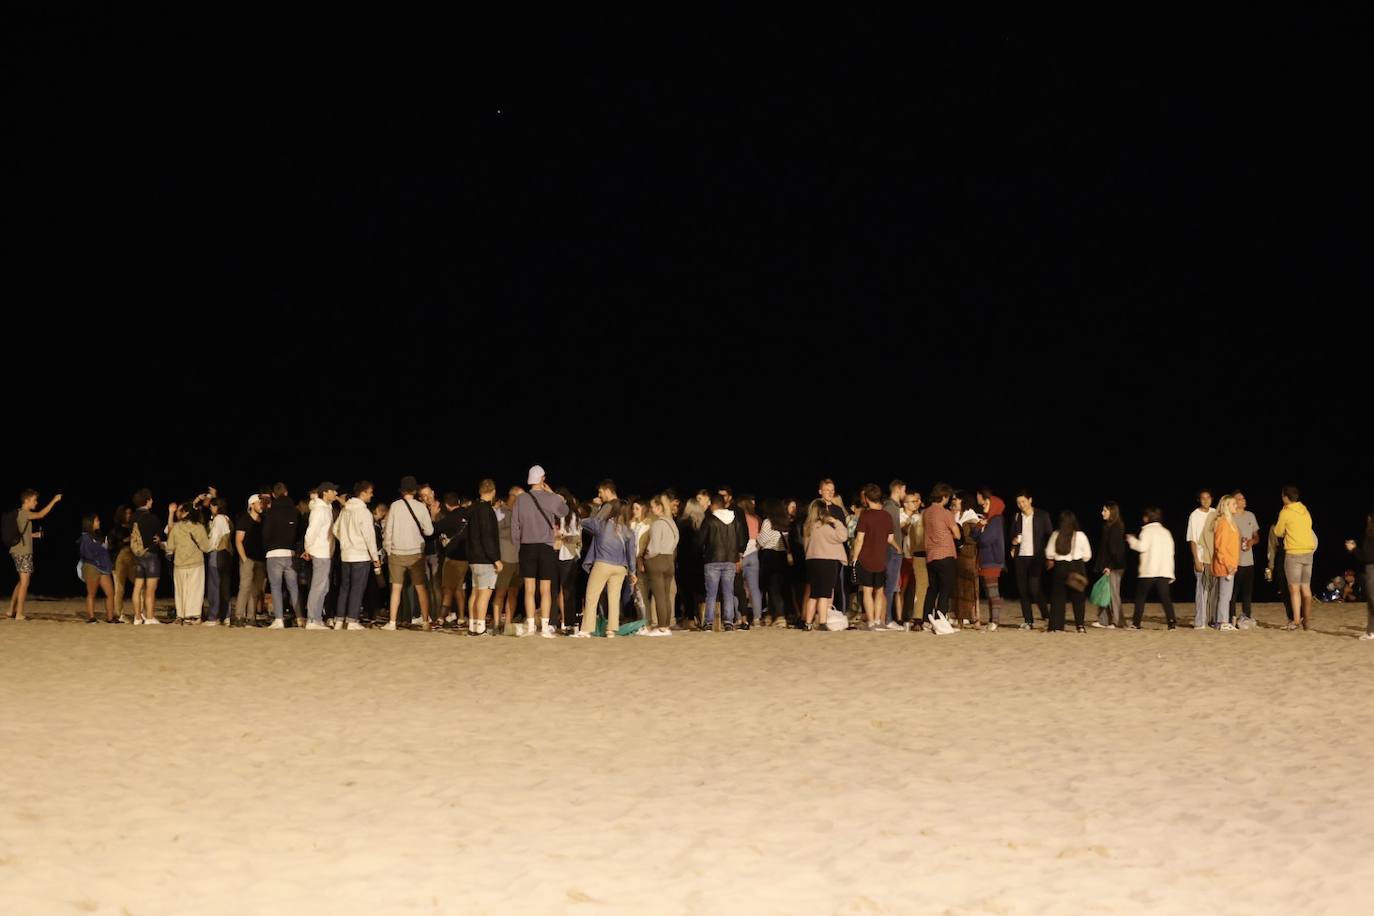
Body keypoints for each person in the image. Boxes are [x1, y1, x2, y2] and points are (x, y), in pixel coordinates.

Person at [510, 466, 570, 638]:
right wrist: (553, 493)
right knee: (545, 589)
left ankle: (530, 626)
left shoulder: (520, 499)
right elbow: (564, 511)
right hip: (545, 547)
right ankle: (544, 627)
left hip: (526, 547)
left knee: (529, 589)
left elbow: (515, 525)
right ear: (542, 479)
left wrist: (518, 546)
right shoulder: (551, 498)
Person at [573, 498, 638, 638]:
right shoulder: (629, 531)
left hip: (602, 564)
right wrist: (632, 572)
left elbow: (582, 521)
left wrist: (598, 509)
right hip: (620, 568)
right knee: (614, 598)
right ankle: (611, 630)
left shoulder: (601, 525)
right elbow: (631, 554)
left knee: (591, 596)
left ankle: (586, 630)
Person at [384, 476, 435, 631]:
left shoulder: (394, 506)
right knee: (420, 588)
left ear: (402, 491)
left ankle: (392, 622)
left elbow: (388, 531)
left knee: (396, 589)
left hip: (397, 552)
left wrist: (388, 549)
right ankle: (425, 621)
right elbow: (429, 531)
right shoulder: (421, 507)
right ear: (415, 491)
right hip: (416, 554)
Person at [6, 489, 62, 621]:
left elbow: (21, 534)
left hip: (18, 550)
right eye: (34, 500)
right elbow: (41, 514)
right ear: (27, 501)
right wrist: (54, 501)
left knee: (21, 581)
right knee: (25, 582)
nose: (36, 502)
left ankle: (10, 610)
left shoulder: (19, 514)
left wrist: (35, 535)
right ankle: (19, 613)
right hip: (23, 552)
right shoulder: (25, 513)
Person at [333, 481, 380, 631]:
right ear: (363, 493)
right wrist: (375, 558)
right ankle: (352, 620)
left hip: (346, 555)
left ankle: (339, 620)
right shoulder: (364, 512)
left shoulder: (345, 510)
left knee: (344, 588)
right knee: (357, 588)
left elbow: (335, 529)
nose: (372, 495)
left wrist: (345, 541)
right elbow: (369, 537)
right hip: (360, 555)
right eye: (370, 492)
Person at [852, 483, 898, 630]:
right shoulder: (887, 516)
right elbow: (890, 539)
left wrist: (854, 558)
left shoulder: (865, 516)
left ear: (866, 498)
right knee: (879, 591)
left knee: (867, 590)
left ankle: (871, 622)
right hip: (881, 559)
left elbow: (859, 539)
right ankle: (878, 620)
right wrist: (898, 548)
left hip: (865, 559)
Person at [697, 493, 744, 631]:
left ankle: (708, 623)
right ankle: (728, 622)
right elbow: (741, 540)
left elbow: (700, 541)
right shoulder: (735, 519)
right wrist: (738, 554)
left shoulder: (709, 520)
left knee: (711, 593)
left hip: (712, 560)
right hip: (730, 560)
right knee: (728, 592)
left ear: (713, 505)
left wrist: (703, 552)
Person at [1274, 485, 1317, 631]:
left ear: (1286, 497)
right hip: (1308, 553)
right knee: (1306, 588)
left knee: (1294, 589)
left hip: (1293, 553)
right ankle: (1307, 620)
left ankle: (1296, 620)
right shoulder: (1304, 510)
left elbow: (1278, 532)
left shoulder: (1285, 512)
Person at [1127, 507, 1178, 630]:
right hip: (1164, 570)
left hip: (1149, 570)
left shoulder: (1147, 531)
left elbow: (1142, 547)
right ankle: (1171, 623)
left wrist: (1131, 540)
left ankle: (1136, 623)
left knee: (1141, 597)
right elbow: (1171, 552)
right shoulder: (1166, 532)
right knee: (1165, 597)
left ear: (1147, 518)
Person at [464, 479, 503, 636]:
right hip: (485, 559)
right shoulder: (486, 511)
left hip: (473, 558)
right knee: (484, 594)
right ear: (493, 492)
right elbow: (487, 537)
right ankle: (480, 627)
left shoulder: (472, 508)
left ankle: (473, 625)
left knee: (475, 593)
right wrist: (496, 559)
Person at [163, 500, 212, 623]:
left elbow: (170, 547)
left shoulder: (176, 527)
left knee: (180, 590)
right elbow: (206, 547)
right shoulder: (199, 527)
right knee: (195, 590)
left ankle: (181, 615)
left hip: (179, 564)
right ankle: (193, 616)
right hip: (196, 563)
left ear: (185, 512)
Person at [921, 483, 962, 627]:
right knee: (945, 589)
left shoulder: (926, 513)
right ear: (944, 497)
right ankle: (940, 620)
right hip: (945, 554)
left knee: (932, 589)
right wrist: (950, 532)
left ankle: (926, 620)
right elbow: (957, 534)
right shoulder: (946, 513)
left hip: (931, 555)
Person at [1044, 510, 1093, 632]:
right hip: (1077, 567)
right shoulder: (1080, 535)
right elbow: (1087, 556)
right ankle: (1080, 626)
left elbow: (1049, 553)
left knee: (1057, 598)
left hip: (1060, 567)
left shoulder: (1056, 534)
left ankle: (1055, 626)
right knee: (1078, 599)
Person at [1010, 490, 1052, 629]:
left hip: (1036, 556)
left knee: (1034, 588)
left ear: (1030, 500)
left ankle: (1046, 615)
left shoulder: (1042, 515)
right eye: (1018, 502)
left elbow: (1049, 535)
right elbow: (1011, 535)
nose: (1021, 505)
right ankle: (1028, 621)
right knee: (1022, 589)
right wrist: (1014, 541)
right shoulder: (1017, 516)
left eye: (1023, 501)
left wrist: (1048, 555)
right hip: (1020, 557)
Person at [301, 482, 340, 630]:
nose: (336, 494)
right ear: (325, 493)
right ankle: (312, 619)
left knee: (323, 587)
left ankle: (316, 618)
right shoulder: (319, 510)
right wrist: (308, 549)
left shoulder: (326, 509)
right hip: (320, 552)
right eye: (333, 491)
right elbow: (312, 531)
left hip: (325, 552)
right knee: (318, 586)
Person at [262, 482, 301, 629]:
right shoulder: (294, 511)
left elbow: (265, 534)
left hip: (273, 553)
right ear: (286, 492)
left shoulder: (271, 511)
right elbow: (298, 532)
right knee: (293, 587)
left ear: (273, 495)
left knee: (276, 587)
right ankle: (300, 617)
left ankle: (279, 619)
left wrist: (267, 548)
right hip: (290, 552)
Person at [640, 493, 679, 636]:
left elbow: (654, 547)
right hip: (669, 559)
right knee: (667, 595)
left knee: (659, 596)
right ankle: (666, 625)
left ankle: (661, 626)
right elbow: (676, 540)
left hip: (657, 560)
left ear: (658, 508)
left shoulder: (657, 524)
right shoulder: (672, 523)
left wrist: (646, 557)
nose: (650, 510)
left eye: (652, 507)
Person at [434, 492, 470, 629]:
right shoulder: (467, 514)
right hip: (466, 558)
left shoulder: (450, 517)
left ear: (447, 505)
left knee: (447, 589)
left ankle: (440, 619)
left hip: (452, 558)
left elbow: (433, 530)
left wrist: (432, 516)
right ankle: (461, 618)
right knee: (459, 588)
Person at [972, 489, 1006, 631]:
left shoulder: (996, 519)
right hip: (985, 560)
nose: (984, 504)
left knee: (993, 592)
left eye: (987, 503)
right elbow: (974, 534)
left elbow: (985, 540)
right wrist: (980, 526)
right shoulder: (987, 519)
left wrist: (980, 533)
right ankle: (992, 620)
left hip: (992, 560)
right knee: (989, 591)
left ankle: (995, 621)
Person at [128, 489, 164, 625]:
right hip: (151, 555)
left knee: (137, 587)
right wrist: (159, 537)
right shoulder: (152, 518)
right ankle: (149, 617)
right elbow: (158, 536)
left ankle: (137, 617)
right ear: (147, 501)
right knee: (150, 588)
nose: (152, 501)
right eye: (151, 499)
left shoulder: (132, 518)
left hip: (137, 555)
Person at [756, 498, 793, 626]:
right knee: (779, 586)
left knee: (771, 587)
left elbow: (762, 540)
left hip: (770, 555)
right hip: (782, 556)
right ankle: (775, 614)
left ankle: (779, 615)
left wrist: (757, 541)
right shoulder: (786, 522)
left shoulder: (768, 521)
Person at [233, 493, 268, 626]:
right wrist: (245, 559)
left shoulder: (263, 519)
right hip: (248, 558)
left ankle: (251, 617)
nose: (261, 505)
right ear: (252, 504)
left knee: (256, 590)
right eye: (259, 502)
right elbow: (238, 541)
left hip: (260, 559)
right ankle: (239, 616)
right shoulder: (244, 519)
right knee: (245, 587)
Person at [552, 487, 583, 633]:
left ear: (565, 499)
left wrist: (562, 536)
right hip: (553, 553)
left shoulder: (572, 515)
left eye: (559, 498)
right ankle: (553, 622)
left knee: (567, 590)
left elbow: (576, 538)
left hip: (568, 554)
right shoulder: (552, 514)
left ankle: (569, 622)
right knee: (552, 590)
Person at [1186, 489, 1218, 630]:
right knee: (1201, 590)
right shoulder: (1194, 515)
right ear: (1199, 500)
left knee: (1213, 591)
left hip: (1214, 557)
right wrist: (1196, 560)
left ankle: (1211, 619)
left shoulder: (1215, 512)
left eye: (1208, 497)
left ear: (1211, 498)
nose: (1206, 500)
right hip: (1201, 556)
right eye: (1202, 498)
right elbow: (1192, 539)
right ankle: (1200, 621)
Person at [77, 513, 117, 623]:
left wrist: (104, 548)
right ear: (90, 523)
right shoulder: (85, 537)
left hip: (103, 567)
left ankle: (110, 617)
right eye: (97, 520)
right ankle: (91, 618)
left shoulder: (97, 535)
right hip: (91, 566)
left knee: (110, 593)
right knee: (92, 594)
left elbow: (101, 551)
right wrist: (101, 548)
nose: (99, 522)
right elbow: (86, 553)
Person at [1093, 502, 1127, 628]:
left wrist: (1109, 566)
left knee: (1113, 593)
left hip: (1115, 565)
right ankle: (1103, 620)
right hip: (1109, 564)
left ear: (1112, 512)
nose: (1102, 513)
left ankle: (1117, 621)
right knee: (1105, 591)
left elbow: (1115, 550)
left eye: (1105, 510)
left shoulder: (1116, 527)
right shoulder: (1108, 526)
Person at [202, 497, 233, 626]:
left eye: (212, 506)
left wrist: (205, 548)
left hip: (217, 554)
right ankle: (226, 616)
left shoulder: (218, 519)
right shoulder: (227, 519)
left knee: (214, 586)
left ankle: (213, 617)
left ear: (217, 506)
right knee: (225, 586)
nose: (210, 508)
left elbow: (214, 539)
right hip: (227, 555)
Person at [1212, 496, 1241, 631]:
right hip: (1225, 565)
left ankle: (1221, 621)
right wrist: (1228, 564)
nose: (1236, 505)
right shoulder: (1223, 523)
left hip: (1231, 564)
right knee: (1225, 595)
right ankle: (1222, 622)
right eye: (1233, 503)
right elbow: (1220, 547)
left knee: (1226, 594)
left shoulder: (1230, 522)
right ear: (1226, 506)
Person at [898, 492, 926, 626]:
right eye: (912, 501)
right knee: (902, 588)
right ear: (905, 503)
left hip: (916, 556)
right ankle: (900, 617)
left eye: (916, 501)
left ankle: (911, 615)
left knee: (915, 588)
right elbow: (902, 529)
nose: (915, 503)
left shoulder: (919, 516)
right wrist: (909, 522)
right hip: (903, 556)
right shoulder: (900, 514)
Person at [1232, 491, 1260, 624]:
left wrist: (1252, 542)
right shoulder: (1230, 517)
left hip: (1249, 560)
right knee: (1233, 592)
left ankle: (1246, 616)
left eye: (1244, 498)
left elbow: (1257, 536)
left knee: (1247, 592)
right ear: (1234, 502)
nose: (1243, 500)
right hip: (1235, 560)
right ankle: (1230, 617)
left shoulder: (1250, 515)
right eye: (1240, 498)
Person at [737, 495, 764, 629]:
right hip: (754, 554)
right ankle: (757, 618)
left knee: (738, 587)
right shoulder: (757, 519)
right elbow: (760, 538)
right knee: (754, 588)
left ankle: (738, 617)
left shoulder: (739, 519)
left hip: (741, 554)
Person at [1346, 514, 1374, 640]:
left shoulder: (1371, 535)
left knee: (1372, 601)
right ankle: (1371, 631)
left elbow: (1367, 557)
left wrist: (1354, 549)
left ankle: (1371, 632)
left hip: (1372, 569)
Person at [108, 505, 136, 622]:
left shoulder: (133, 527)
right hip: (117, 562)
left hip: (133, 561)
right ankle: (119, 614)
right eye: (126, 513)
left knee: (140, 585)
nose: (129, 515)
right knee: (120, 589)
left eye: (130, 513)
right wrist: (124, 541)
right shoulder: (115, 530)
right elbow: (110, 546)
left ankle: (140, 613)